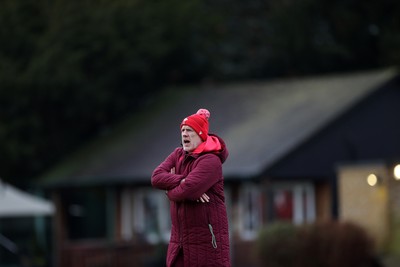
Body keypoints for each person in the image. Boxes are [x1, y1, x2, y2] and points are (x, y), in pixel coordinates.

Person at [151, 108, 231, 267]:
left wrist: (169, 189)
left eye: (190, 130)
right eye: (183, 130)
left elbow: (189, 191)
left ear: (201, 134)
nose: (184, 134)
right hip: (179, 246)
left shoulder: (210, 161)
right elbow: (156, 177)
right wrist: (181, 180)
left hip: (208, 248)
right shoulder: (177, 154)